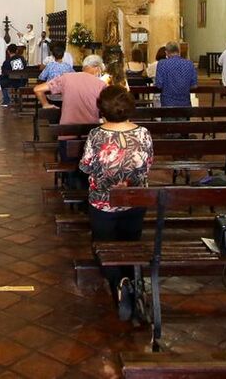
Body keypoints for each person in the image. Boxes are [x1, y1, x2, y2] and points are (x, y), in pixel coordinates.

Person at [79, 86, 152, 320]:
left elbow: (86, 166)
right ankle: (132, 280)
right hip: (136, 200)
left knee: (103, 245)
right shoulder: (143, 134)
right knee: (131, 242)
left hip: (103, 201)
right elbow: (147, 164)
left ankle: (118, 281)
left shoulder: (96, 135)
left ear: (102, 109)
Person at [34, 55, 107, 125]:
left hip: (66, 131)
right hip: (89, 132)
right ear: (98, 69)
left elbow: (38, 89)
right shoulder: (101, 84)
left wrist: (45, 104)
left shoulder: (66, 77)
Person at [154, 42, 197, 108]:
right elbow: (194, 85)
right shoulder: (189, 64)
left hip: (167, 104)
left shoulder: (162, 64)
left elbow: (159, 85)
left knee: (168, 118)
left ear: (166, 52)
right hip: (185, 103)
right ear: (178, 51)